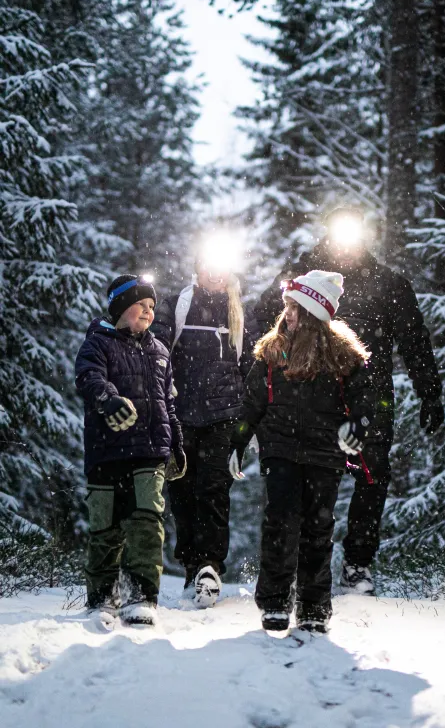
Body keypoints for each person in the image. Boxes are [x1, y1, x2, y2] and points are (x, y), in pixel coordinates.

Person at [254, 207, 444, 595]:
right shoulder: (303, 275)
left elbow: (414, 342)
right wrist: (262, 379)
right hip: (309, 395)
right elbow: (263, 318)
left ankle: (357, 562)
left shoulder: (388, 284)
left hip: (371, 397)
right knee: (302, 480)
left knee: (372, 476)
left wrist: (430, 393)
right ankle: (295, 566)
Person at [229, 270, 374, 633]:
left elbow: (369, 399)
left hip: (324, 453)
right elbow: (252, 402)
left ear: (313, 311)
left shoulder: (342, 354)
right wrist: (238, 440)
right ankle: (275, 602)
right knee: (279, 522)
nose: (287, 312)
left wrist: (357, 425)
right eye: (287, 305)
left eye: (295, 306)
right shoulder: (272, 350)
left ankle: (313, 606)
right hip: (279, 450)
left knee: (317, 527)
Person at [75, 274, 186, 627]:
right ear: (123, 306)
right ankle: (103, 595)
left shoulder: (159, 351)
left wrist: (177, 444)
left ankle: (141, 594)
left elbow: (169, 404)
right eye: (143, 305)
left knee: (146, 522)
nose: (150, 313)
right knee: (104, 526)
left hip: (149, 452)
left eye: (153, 307)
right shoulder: (98, 343)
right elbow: (89, 377)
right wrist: (108, 400)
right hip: (106, 451)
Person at [152, 248, 257, 607]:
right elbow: (158, 353)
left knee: (214, 490)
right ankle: (191, 565)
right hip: (181, 416)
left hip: (223, 417)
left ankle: (210, 566)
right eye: (209, 264)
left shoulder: (242, 311)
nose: (216, 271)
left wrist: (251, 420)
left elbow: (253, 367)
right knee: (182, 494)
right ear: (198, 267)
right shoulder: (175, 305)